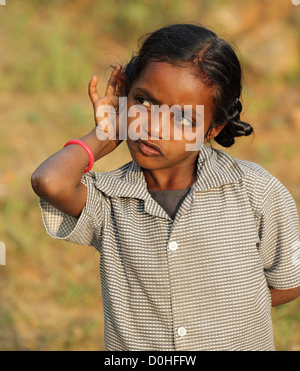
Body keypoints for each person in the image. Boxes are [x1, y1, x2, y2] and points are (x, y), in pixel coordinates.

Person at [31, 23, 300, 351]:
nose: (153, 127)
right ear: (124, 96)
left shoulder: (255, 191)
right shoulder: (109, 198)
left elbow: (288, 282)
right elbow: (49, 182)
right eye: (144, 101)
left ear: (212, 130)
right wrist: (106, 133)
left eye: (183, 119)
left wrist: (220, 315)